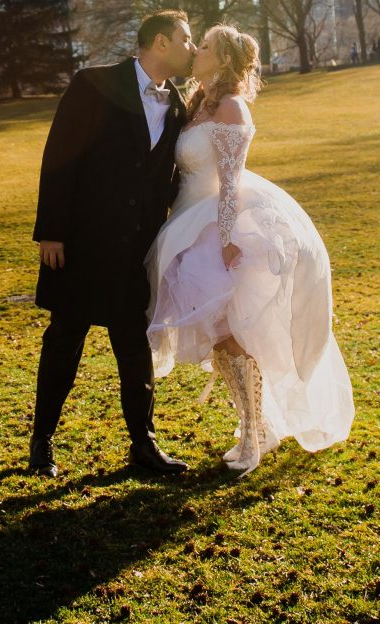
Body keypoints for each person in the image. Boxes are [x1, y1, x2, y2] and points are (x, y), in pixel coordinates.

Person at [146, 25, 353, 472]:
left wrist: (225, 240)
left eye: (203, 47)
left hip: (219, 227)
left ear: (220, 60)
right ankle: (251, 421)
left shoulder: (231, 107)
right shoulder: (198, 103)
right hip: (187, 222)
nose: (195, 52)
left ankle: (256, 431)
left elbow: (231, 183)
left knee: (230, 333)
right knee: (220, 338)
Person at [27, 10, 196, 478]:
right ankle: (42, 441)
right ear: (160, 43)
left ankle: (143, 443)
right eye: (186, 39)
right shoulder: (93, 84)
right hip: (80, 243)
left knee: (134, 346)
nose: (192, 48)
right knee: (64, 341)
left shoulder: (179, 106)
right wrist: (52, 231)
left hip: (136, 249)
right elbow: (59, 155)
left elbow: (167, 176)